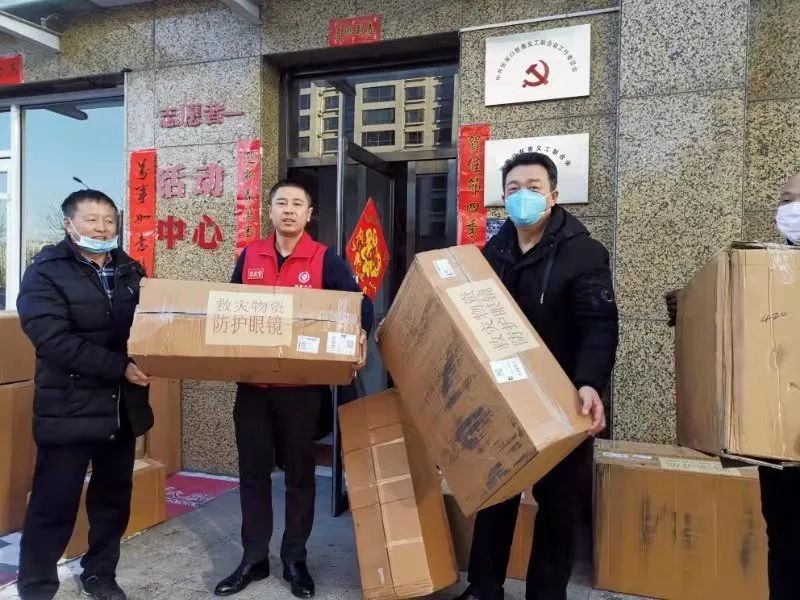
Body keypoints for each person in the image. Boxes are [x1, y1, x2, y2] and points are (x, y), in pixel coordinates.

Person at [457, 152, 619, 600]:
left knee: (557, 504)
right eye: (513, 189)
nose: (522, 196)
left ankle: (546, 594)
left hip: (563, 397)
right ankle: (484, 587)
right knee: (497, 493)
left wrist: (590, 382)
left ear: (553, 195)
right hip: (503, 394)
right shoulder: (493, 253)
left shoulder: (584, 252)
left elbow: (599, 324)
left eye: (533, 187)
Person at [215, 180, 374, 599]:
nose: (289, 210)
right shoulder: (250, 256)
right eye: (281, 203)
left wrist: (359, 333)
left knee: (300, 478)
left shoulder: (324, 259)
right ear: (270, 211)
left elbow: (359, 303)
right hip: (253, 389)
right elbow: (226, 307)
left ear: (309, 214)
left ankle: (294, 559)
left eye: (297, 204)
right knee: (252, 476)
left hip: (302, 392)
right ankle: (254, 559)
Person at [666, 171, 800, 600]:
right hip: (780, 453)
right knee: (785, 545)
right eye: (787, 199)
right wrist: (695, 309)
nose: (791, 208)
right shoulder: (765, 272)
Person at [16, 189, 153, 600]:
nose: (103, 228)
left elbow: (153, 325)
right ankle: (37, 586)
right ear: (69, 224)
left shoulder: (130, 269)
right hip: (69, 407)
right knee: (53, 503)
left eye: (109, 220)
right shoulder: (46, 272)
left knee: (112, 500)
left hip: (119, 408)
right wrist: (119, 366)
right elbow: (51, 339)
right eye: (92, 220)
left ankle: (100, 574)